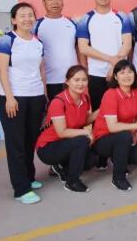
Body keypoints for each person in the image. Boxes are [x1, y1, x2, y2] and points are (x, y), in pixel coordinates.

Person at [0, 2, 47, 204]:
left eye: (30, 15)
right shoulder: (7, 40)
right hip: (14, 98)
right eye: (22, 15)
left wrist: (44, 95)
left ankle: (28, 177)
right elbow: (2, 71)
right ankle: (21, 189)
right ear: (14, 20)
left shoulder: (37, 42)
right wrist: (9, 97)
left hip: (35, 96)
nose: (27, 19)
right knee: (16, 143)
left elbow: (41, 70)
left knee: (29, 141)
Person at [36, 65, 97, 193]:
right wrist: (86, 132)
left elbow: (84, 120)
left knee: (90, 160)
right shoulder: (58, 102)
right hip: (48, 147)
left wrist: (102, 110)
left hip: (66, 143)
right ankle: (72, 182)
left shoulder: (84, 98)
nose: (81, 83)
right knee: (82, 140)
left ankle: (60, 166)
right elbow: (61, 132)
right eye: (76, 80)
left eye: (84, 80)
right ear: (67, 81)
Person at [77, 0, 132, 112]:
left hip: (120, 74)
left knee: (122, 111)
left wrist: (115, 65)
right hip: (96, 74)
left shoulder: (122, 17)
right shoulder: (85, 19)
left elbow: (127, 44)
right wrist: (110, 59)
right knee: (99, 112)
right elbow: (83, 47)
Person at [92, 60, 137, 191]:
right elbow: (112, 127)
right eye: (122, 73)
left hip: (124, 135)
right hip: (103, 138)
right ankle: (118, 178)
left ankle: (118, 159)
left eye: (130, 72)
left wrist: (135, 131)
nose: (127, 75)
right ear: (115, 77)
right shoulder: (111, 94)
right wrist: (136, 127)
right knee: (124, 136)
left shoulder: (136, 91)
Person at [34, 0, 82, 101]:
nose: (55, 2)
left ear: (63, 1)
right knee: (53, 111)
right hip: (49, 81)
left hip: (72, 80)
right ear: (44, 2)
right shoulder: (36, 25)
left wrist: (83, 70)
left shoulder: (73, 23)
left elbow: (79, 48)